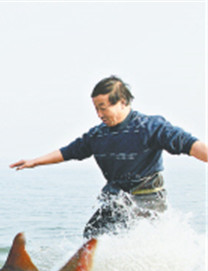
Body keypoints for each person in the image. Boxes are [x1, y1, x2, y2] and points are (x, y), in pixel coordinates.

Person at [10, 76, 207, 238]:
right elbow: (69, 151)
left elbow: (189, 144)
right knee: (92, 235)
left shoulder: (150, 127)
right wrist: (34, 162)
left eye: (103, 107)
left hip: (147, 199)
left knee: (132, 241)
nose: (98, 114)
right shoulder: (98, 135)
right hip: (117, 198)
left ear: (122, 102)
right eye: (96, 108)